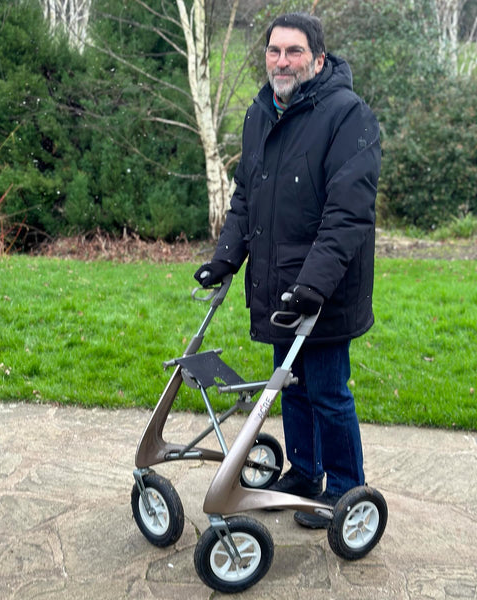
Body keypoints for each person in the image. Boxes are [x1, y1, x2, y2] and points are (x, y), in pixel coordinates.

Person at [194, 12, 381, 528]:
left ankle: (345, 491)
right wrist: (224, 259)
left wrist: (312, 287)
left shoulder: (349, 116)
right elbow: (245, 199)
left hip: (324, 290)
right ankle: (303, 472)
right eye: (274, 51)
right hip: (279, 289)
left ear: (318, 59)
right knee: (289, 384)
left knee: (327, 391)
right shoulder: (262, 113)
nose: (282, 61)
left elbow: (348, 215)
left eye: (294, 51)